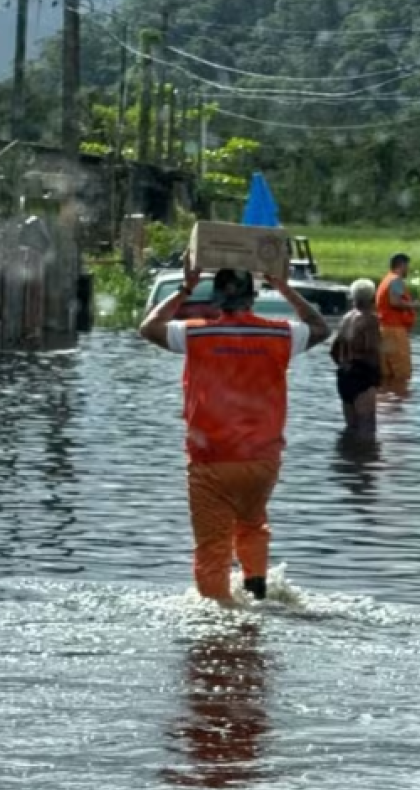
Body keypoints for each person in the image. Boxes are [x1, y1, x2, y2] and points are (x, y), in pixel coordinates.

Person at [138, 257, 330, 604]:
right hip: (262, 462)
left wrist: (186, 286)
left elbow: (149, 327)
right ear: (252, 297)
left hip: (212, 460)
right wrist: (285, 288)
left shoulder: (196, 333)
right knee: (252, 522)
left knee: (213, 549)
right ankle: (256, 587)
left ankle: (219, 620)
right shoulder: (279, 333)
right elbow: (320, 328)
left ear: (216, 301)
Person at [329, 279, 382, 433]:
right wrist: (378, 377)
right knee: (367, 429)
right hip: (362, 375)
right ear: (373, 297)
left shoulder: (346, 318)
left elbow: (333, 350)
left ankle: (347, 455)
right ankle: (364, 456)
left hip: (344, 376)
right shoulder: (371, 320)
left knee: (351, 428)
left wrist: (345, 366)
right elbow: (372, 350)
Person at [375, 253, 420, 386]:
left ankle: (387, 396)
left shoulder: (386, 280)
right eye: (407, 266)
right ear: (401, 265)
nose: (408, 270)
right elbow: (394, 302)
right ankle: (398, 400)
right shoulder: (396, 280)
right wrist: (413, 305)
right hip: (395, 332)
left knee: (386, 371)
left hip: (384, 330)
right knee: (401, 372)